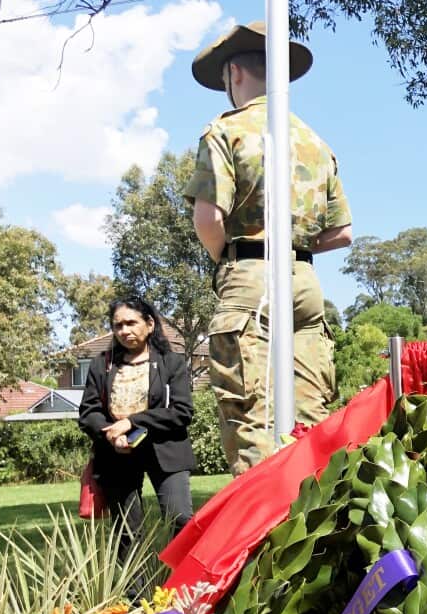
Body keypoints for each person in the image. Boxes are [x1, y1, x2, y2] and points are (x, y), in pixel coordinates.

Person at [184, 22, 354, 475]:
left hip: (251, 280)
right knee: (311, 421)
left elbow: (208, 218)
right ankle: (323, 530)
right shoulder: (316, 143)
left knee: (251, 420)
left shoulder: (226, 131)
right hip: (305, 282)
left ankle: (266, 538)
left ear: (235, 73)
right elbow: (342, 233)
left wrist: (229, 260)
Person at [78, 297, 195, 556]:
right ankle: (135, 595)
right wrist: (111, 435)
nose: (124, 330)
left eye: (131, 323)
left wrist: (132, 422)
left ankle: (183, 588)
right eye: (118, 325)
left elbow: (182, 412)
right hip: (116, 455)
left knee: (180, 519)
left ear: (150, 324)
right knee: (127, 531)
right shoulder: (102, 365)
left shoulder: (171, 363)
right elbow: (88, 412)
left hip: (166, 451)